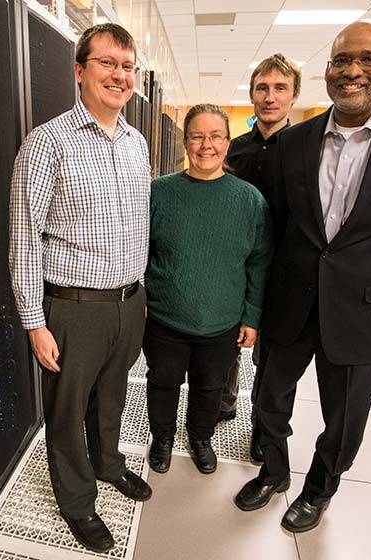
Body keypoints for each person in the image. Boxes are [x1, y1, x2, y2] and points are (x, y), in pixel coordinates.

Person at [234, 20, 371, 533]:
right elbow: (285, 222)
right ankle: (272, 471)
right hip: (292, 300)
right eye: (341, 60)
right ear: (328, 70)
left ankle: (319, 489)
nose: (353, 71)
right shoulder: (296, 142)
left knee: (345, 416)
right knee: (269, 398)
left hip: (364, 307)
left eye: (369, 59)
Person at [8, 23, 152, 553]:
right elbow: (24, 236)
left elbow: (141, 225)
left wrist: (141, 300)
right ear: (80, 71)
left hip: (128, 302)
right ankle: (77, 503)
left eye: (127, 65)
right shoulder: (47, 143)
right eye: (107, 63)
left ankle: (110, 463)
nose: (120, 75)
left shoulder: (137, 143)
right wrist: (34, 321)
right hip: (73, 309)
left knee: (112, 396)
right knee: (68, 413)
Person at [144, 104, 273, 476]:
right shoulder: (160, 192)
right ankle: (163, 438)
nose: (206, 145)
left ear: (228, 143)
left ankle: (200, 438)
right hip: (165, 317)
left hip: (222, 321)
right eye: (198, 136)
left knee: (209, 387)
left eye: (215, 136)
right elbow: (141, 251)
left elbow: (259, 262)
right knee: (163, 382)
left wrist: (252, 316)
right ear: (185, 142)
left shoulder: (249, 200)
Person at [222, 53, 301, 463]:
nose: (270, 97)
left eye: (280, 88)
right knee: (226, 343)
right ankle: (225, 402)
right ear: (252, 94)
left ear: (294, 95)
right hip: (236, 269)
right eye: (262, 88)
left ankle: (265, 429)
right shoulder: (232, 150)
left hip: (287, 274)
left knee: (274, 358)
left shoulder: (307, 150)